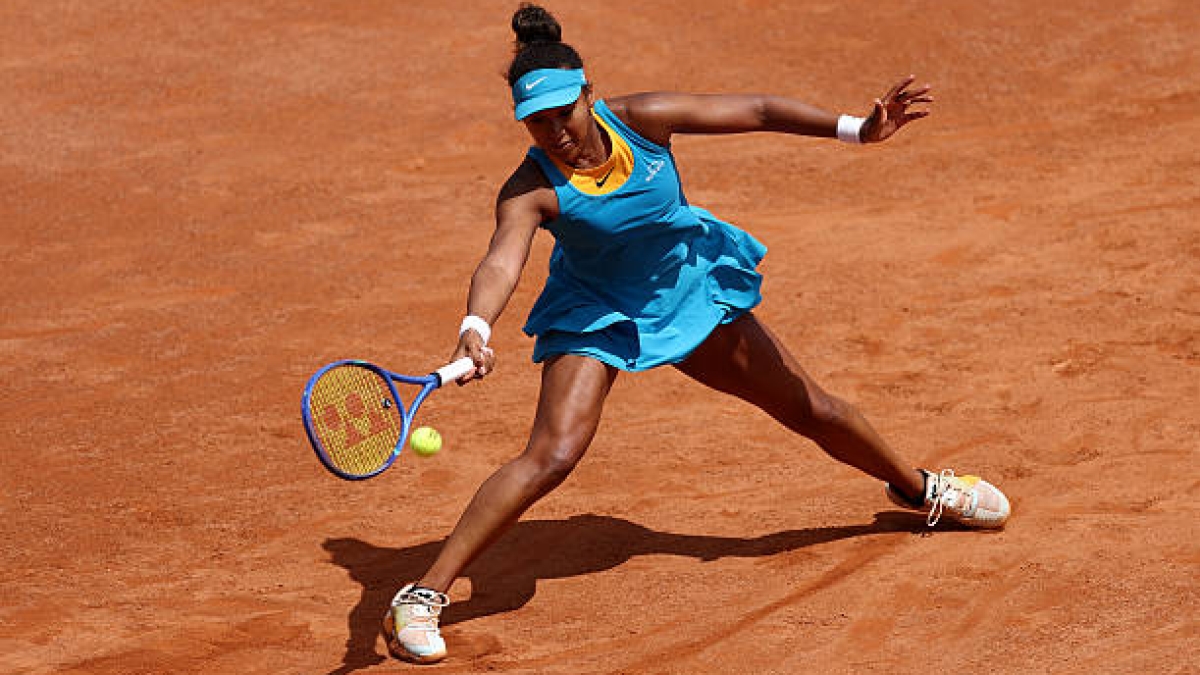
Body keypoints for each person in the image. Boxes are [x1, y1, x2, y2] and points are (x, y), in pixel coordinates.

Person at [382, 3, 1011, 664]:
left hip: (684, 289)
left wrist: (861, 129)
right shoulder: (529, 189)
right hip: (598, 310)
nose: (555, 133)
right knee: (554, 453)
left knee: (811, 406)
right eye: (536, 123)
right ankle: (421, 595)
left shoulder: (643, 119)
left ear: (588, 97)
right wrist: (476, 326)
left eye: (562, 114)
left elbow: (760, 111)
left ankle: (919, 488)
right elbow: (501, 259)